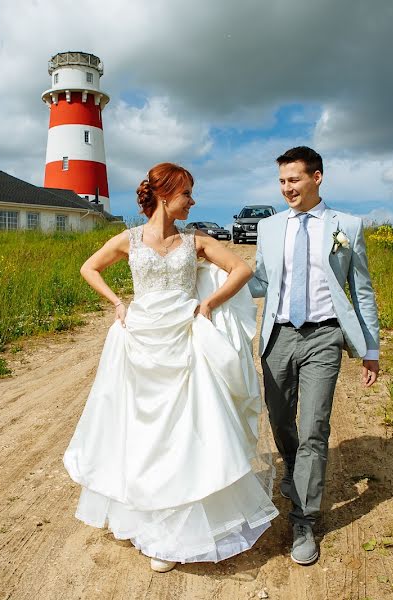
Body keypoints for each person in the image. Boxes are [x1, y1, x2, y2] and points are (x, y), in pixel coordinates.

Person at [64, 163, 278, 573]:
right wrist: (117, 302)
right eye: (187, 195)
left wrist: (209, 303)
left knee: (185, 432)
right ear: (166, 196)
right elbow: (88, 268)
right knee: (142, 434)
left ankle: (176, 533)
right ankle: (144, 518)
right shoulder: (127, 240)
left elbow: (242, 269)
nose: (193, 202)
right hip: (141, 341)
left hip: (184, 341)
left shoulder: (195, 241)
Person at [249, 146, 380, 565]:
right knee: (280, 418)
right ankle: (292, 469)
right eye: (282, 181)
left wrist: (370, 349)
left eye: (294, 180)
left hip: (325, 336)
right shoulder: (269, 228)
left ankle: (304, 518)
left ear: (317, 177)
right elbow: (259, 281)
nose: (287, 188)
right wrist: (204, 277)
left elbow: (361, 290)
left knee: (315, 427)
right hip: (278, 335)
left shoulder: (348, 226)